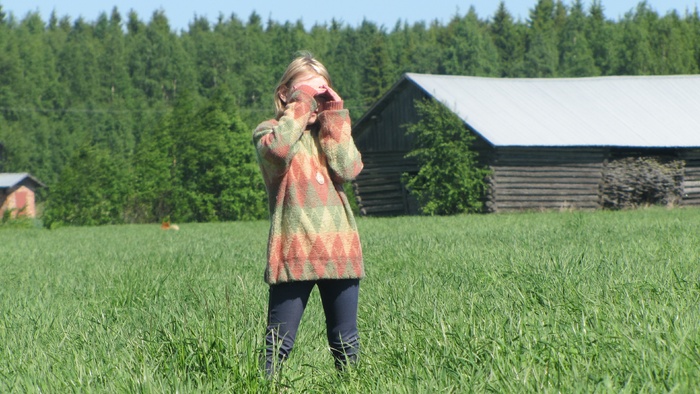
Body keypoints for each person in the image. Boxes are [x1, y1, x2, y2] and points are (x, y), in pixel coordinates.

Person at [252, 51, 364, 376]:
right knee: (278, 344)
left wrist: (335, 115)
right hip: (294, 250)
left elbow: (349, 167)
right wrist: (300, 106)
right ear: (284, 94)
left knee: (346, 343)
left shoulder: (328, 135)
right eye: (306, 92)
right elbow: (278, 151)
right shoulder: (269, 132)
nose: (314, 101)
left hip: (340, 251)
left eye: (321, 92)